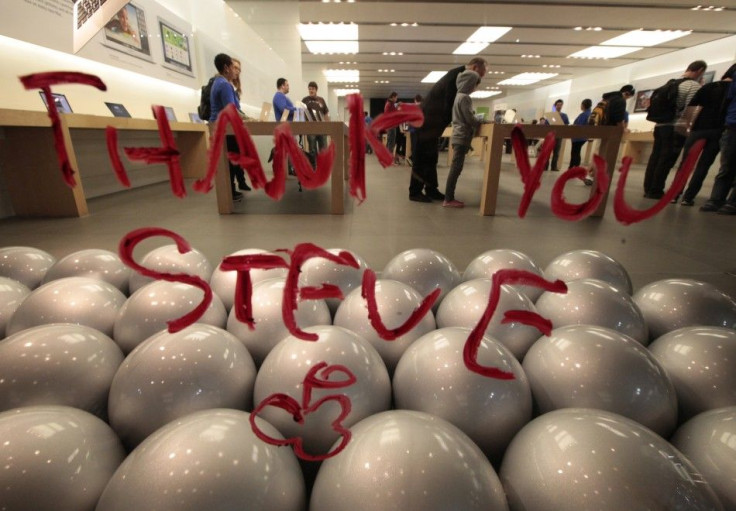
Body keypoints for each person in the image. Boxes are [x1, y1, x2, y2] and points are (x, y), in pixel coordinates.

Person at [409, 57, 488, 203]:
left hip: (429, 124)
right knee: (421, 159)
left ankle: (431, 189)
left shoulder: (456, 75)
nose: (480, 78)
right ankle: (414, 192)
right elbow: (448, 106)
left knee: (431, 158)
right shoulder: (457, 77)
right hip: (425, 123)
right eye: (482, 73)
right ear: (476, 68)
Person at [673, 63, 736, 206]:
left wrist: (684, 131)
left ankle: (675, 194)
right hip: (718, 131)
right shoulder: (732, 91)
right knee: (703, 166)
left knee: (686, 164)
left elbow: (691, 109)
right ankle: (688, 198)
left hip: (698, 130)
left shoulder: (708, 87)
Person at [643, 60, 707, 199]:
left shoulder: (671, 83)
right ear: (700, 70)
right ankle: (656, 190)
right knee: (666, 159)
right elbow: (690, 110)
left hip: (659, 126)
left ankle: (648, 188)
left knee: (655, 156)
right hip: (674, 127)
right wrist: (687, 129)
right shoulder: (693, 86)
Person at [209, 53, 250, 201]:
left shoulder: (218, 82)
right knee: (232, 158)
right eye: (233, 67)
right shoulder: (225, 85)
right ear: (226, 68)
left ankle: (231, 190)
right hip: (225, 128)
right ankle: (230, 192)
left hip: (219, 126)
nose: (236, 71)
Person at [442, 68, 483, 208]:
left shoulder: (458, 96)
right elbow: (469, 119)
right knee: (456, 168)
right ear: (469, 83)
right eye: (474, 84)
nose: (475, 88)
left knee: (456, 167)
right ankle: (448, 198)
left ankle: (449, 197)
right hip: (462, 136)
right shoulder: (464, 97)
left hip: (458, 135)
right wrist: (480, 120)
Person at [583, 84, 634, 185]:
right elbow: (618, 119)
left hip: (601, 130)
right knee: (605, 156)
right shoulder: (620, 101)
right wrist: (623, 129)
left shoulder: (607, 98)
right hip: (611, 132)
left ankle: (589, 174)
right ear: (627, 93)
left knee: (598, 153)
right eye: (628, 97)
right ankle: (591, 176)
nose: (627, 99)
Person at [700, 76, 736, 214]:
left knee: (726, 166)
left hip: (731, 124)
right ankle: (717, 199)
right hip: (732, 125)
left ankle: (725, 201)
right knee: (726, 166)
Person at [302, 81, 329, 161]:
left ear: (316, 90)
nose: (311, 90)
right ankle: (314, 168)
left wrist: (329, 127)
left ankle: (323, 168)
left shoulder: (321, 100)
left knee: (323, 150)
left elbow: (326, 113)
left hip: (322, 129)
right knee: (312, 150)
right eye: (309, 89)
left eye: (313, 89)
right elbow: (300, 113)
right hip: (311, 129)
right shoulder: (305, 100)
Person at [569, 99, 592, 170]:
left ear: (583, 105)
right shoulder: (589, 114)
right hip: (582, 137)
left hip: (578, 137)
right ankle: (573, 167)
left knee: (575, 153)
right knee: (576, 152)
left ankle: (573, 168)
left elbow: (579, 125)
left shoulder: (584, 114)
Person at [546, 99, 569, 171]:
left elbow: (566, 125)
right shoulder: (551, 115)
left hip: (559, 136)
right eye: (558, 105)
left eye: (561, 105)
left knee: (556, 152)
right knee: (548, 152)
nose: (559, 106)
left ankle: (554, 166)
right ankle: (545, 166)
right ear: (555, 105)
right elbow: (546, 124)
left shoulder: (564, 115)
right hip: (550, 135)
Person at [407, 94, 422, 166]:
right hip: (420, 129)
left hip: (413, 129)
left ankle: (413, 159)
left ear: (415, 100)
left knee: (414, 145)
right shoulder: (423, 107)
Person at [384, 92, 399, 163]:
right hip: (391, 125)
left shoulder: (389, 104)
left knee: (389, 142)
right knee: (391, 143)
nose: (396, 99)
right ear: (393, 97)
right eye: (396, 97)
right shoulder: (390, 104)